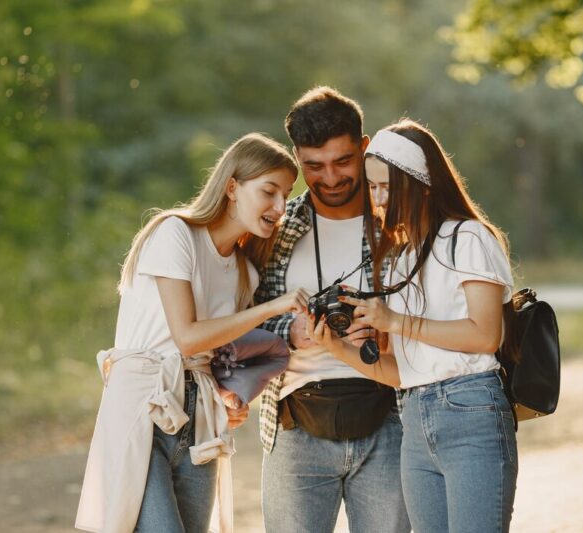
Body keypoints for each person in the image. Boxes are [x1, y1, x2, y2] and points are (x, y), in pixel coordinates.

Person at [75, 133, 309, 533]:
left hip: (200, 418)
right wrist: (276, 305)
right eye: (269, 191)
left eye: (286, 195)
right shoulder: (174, 234)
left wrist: (228, 394)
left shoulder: (244, 272)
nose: (280, 207)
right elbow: (186, 336)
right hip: (144, 406)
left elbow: (215, 352)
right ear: (232, 186)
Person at [309, 119, 519, 532]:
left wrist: (396, 320)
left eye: (388, 186)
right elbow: (399, 373)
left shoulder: (469, 238)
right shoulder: (401, 259)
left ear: (422, 183)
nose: (379, 198)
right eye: (373, 187)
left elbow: (485, 335)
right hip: (414, 419)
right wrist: (338, 348)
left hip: (471, 410)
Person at [255, 87, 411, 533]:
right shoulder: (274, 229)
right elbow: (247, 314)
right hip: (293, 426)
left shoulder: (397, 224)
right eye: (313, 166)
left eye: (343, 161)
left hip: (391, 417)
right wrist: (292, 331)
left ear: (364, 148)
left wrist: (388, 329)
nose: (330, 178)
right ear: (296, 156)